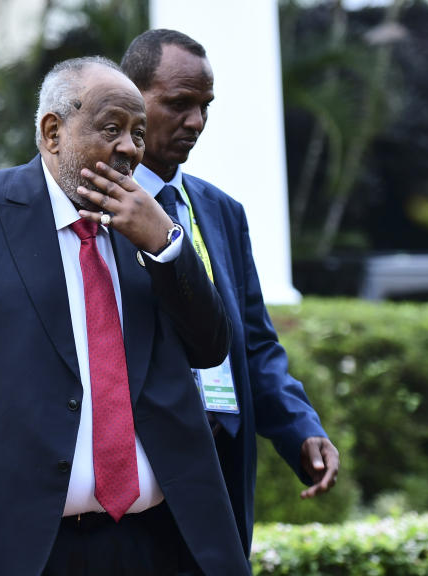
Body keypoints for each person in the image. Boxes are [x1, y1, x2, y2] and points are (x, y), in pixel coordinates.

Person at [0, 56, 251, 576]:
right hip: (7, 537)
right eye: (112, 128)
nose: (130, 148)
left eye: (137, 132)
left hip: (150, 540)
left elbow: (210, 346)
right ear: (52, 132)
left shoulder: (152, 225)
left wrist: (165, 247)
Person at [121, 29, 340, 555]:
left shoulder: (221, 211)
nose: (195, 123)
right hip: (136, 474)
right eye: (178, 104)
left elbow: (256, 344)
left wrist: (299, 427)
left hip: (221, 468)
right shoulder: (93, 209)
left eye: (204, 107)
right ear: (130, 98)